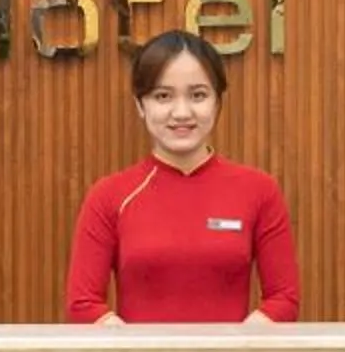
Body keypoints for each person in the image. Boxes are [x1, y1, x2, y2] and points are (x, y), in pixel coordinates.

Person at [65, 31, 299, 325]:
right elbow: (83, 303)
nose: (181, 112)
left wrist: (234, 348)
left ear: (218, 102)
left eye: (198, 95)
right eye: (162, 96)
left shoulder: (259, 190)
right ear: (140, 105)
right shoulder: (109, 195)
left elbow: (283, 297)